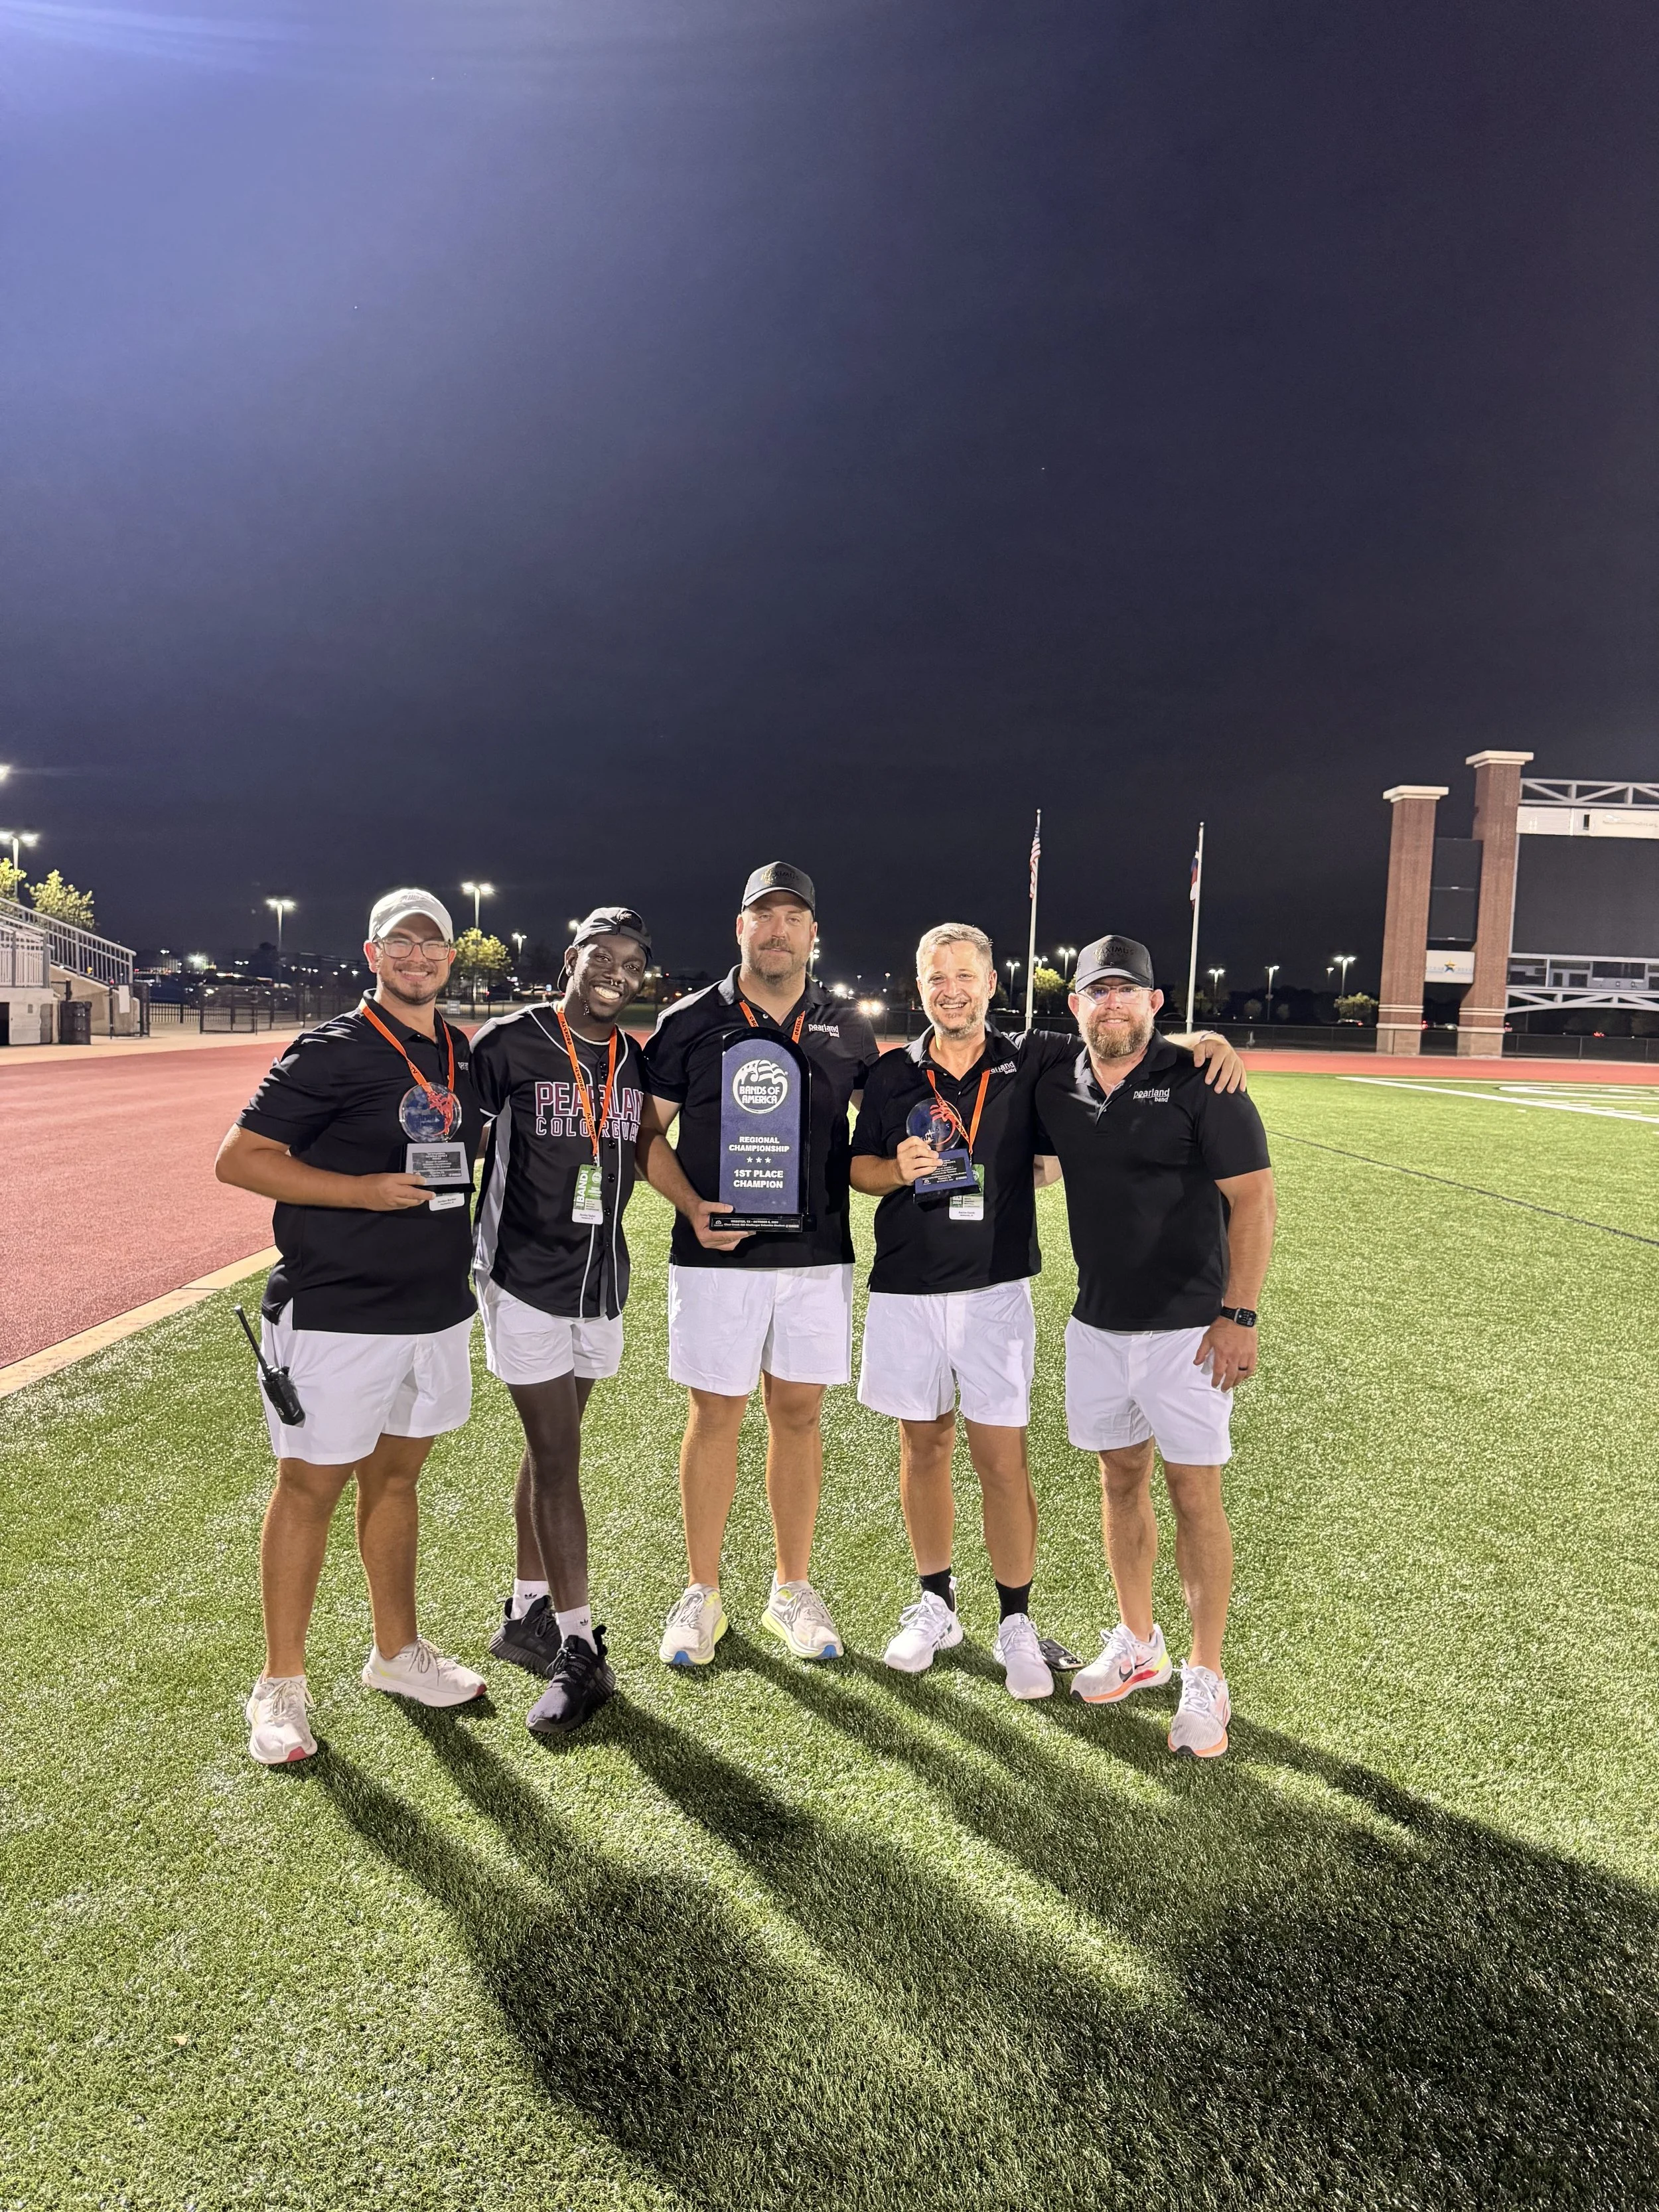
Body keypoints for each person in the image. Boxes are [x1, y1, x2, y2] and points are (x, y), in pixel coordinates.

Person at [850, 925, 1245, 1699]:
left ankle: (1015, 1620)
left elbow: (1121, 1034)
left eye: (965, 975)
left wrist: (1204, 1038)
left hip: (995, 1289)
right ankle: (936, 1601)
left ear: (992, 983)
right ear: (919, 985)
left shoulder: (1031, 1058)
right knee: (922, 1448)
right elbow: (860, 1170)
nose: (951, 989)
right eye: (937, 977)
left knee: (1002, 1460)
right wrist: (893, 1171)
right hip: (905, 1286)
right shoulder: (893, 1073)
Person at [216, 890, 488, 1767]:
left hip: (435, 1306)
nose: (417, 956)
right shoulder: (330, 1049)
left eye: (432, 943)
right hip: (338, 1307)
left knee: (398, 1479)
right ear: (372, 954)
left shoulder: (461, 1053)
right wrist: (361, 1191)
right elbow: (240, 1159)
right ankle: (280, 1686)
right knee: (311, 1488)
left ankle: (395, 1653)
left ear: (453, 957)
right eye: (399, 943)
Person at [1033, 934, 1275, 1758]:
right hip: (1097, 1323)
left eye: (1125, 992)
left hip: (1189, 1332)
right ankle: (1139, 1641)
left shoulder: (1201, 1080)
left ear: (1153, 1003)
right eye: (1096, 993)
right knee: (1118, 1477)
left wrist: (1238, 1316)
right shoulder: (1055, 1081)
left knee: (1193, 1494)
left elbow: (1253, 1202)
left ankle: (1206, 1674)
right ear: (1075, 1007)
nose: (1112, 1005)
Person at [638, 863, 879, 1666]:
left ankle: (790, 1588)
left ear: (813, 933)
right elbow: (645, 1136)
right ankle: (701, 1591)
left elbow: (894, 1121)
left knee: (799, 1415)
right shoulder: (685, 1021)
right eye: (762, 916)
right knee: (715, 1413)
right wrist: (689, 1207)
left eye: (793, 918)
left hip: (814, 1255)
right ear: (738, 928)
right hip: (716, 1255)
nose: (778, 930)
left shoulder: (845, 1026)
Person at [469, 907, 654, 1736]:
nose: (618, 973)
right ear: (573, 959)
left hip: (598, 1278)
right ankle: (579, 1646)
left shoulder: (632, 1057)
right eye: (604, 957)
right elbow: (444, 1137)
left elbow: (638, 1152)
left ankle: (524, 1613)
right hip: (522, 1276)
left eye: (633, 964)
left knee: (552, 1451)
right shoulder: (510, 1041)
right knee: (557, 1459)